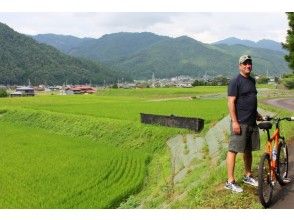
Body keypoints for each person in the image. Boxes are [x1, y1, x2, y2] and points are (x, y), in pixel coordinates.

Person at [224, 55, 262, 193]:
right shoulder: (235, 81)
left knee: (248, 150)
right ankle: (230, 181)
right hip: (240, 122)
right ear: (240, 66)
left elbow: (250, 99)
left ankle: (247, 175)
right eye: (245, 64)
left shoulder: (252, 80)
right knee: (233, 150)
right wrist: (235, 122)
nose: (248, 66)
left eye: (249, 63)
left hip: (251, 121)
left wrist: (256, 114)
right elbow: (231, 102)